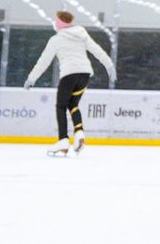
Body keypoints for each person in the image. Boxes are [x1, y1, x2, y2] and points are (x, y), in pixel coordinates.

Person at [23, 10, 116, 157]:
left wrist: (31, 78)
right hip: (84, 74)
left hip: (69, 75)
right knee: (73, 105)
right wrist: (109, 65)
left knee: (61, 106)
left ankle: (63, 140)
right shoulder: (81, 34)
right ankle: (79, 133)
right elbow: (96, 50)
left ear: (59, 23)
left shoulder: (56, 40)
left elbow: (43, 61)